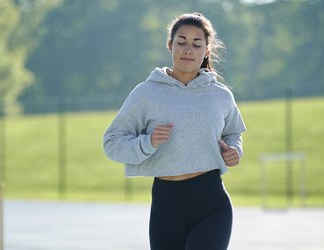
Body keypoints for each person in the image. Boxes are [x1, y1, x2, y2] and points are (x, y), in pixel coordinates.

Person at [103, 12, 246, 250]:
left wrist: (235, 151)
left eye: (196, 44)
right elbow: (112, 142)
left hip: (211, 203)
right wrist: (147, 143)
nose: (188, 49)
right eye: (181, 42)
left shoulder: (220, 94)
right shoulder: (146, 93)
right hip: (166, 206)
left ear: (207, 50)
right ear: (170, 46)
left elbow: (233, 134)